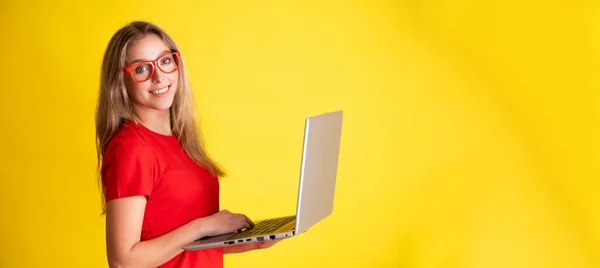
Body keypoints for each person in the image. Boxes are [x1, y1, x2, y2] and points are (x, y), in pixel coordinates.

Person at [95, 21, 281, 268]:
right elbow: (123, 261)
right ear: (121, 81)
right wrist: (204, 225)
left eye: (165, 61)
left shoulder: (182, 141)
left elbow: (184, 245)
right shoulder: (131, 148)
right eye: (141, 69)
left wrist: (251, 240)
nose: (159, 76)